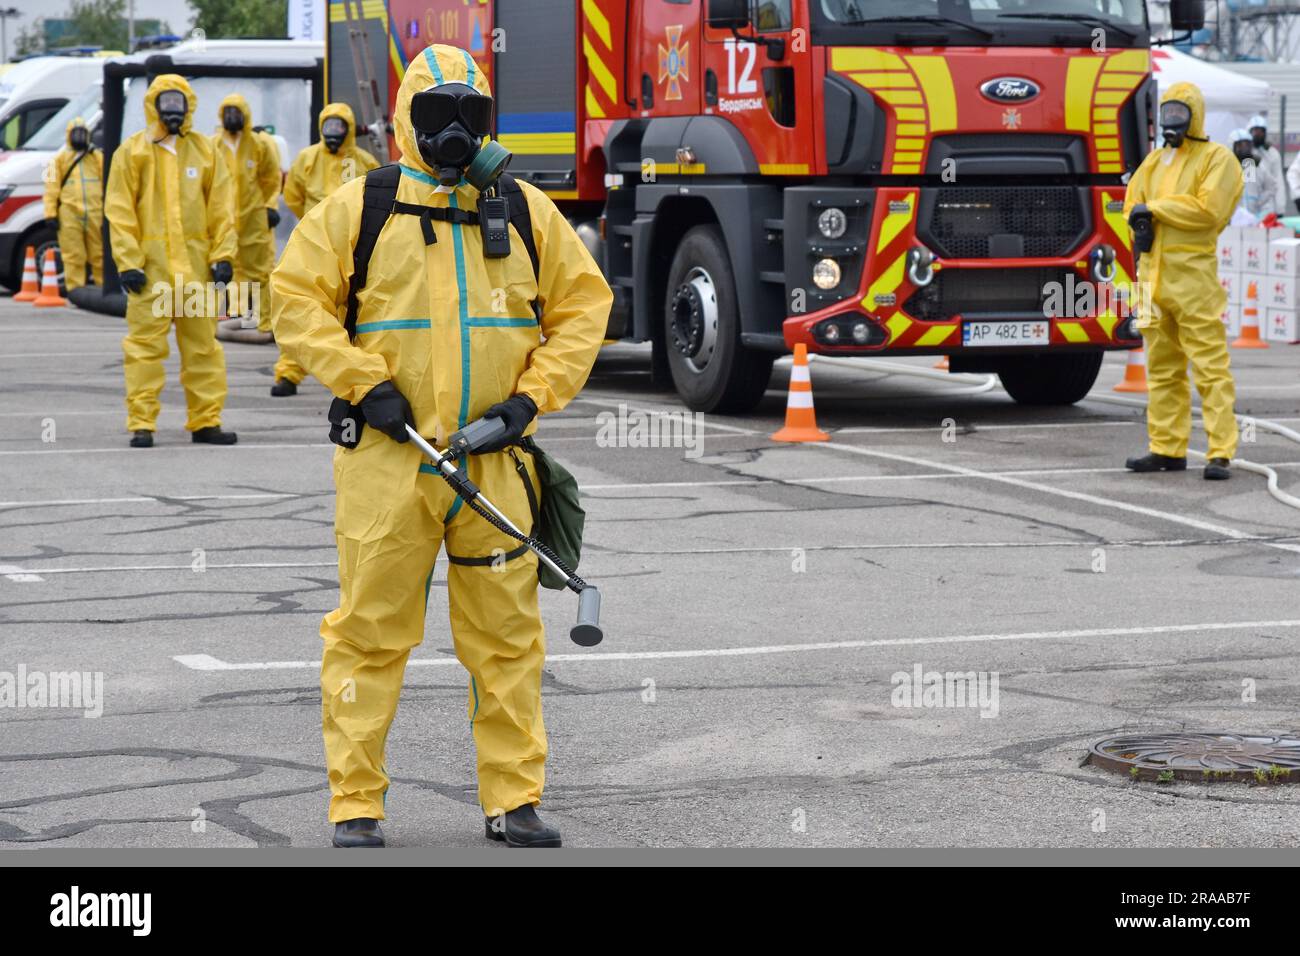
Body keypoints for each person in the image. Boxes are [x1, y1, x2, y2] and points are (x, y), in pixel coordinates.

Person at [272, 44, 612, 849]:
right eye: (436, 115)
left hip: (493, 462)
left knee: (506, 639)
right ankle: (356, 803)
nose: (454, 131)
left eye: (472, 115)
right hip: (391, 464)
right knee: (368, 636)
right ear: (405, 121)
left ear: (488, 122)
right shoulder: (365, 207)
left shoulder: (525, 210)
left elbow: (583, 308)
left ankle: (514, 799)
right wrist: (362, 381)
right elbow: (294, 299)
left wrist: (531, 400)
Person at [104, 74, 238, 449]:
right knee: (145, 349)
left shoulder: (205, 150)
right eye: (167, 103)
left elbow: (222, 208)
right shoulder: (133, 152)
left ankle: (205, 422)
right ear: (154, 105)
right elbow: (119, 211)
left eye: (179, 103)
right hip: (152, 274)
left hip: (195, 273)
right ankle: (142, 423)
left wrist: (223, 256)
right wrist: (128, 262)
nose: (174, 111)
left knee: (203, 348)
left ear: (189, 105)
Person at [1123, 82, 1242, 481]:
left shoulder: (1217, 159)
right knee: (1161, 370)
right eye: (1168, 114)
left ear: (1195, 116)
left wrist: (1153, 209)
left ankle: (1220, 451)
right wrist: (1139, 216)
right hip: (1151, 279)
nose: (1172, 122)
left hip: (1192, 282)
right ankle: (1166, 448)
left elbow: (1208, 210)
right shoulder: (1155, 161)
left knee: (1209, 368)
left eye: (1180, 114)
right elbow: (1129, 204)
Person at [274, 103, 380, 397]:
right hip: (317, 246)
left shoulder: (364, 160)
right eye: (328, 126)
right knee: (305, 309)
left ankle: (361, 377)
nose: (333, 133)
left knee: (356, 312)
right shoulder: (307, 159)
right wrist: (313, 225)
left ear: (347, 129)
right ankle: (289, 373)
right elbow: (293, 195)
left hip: (357, 248)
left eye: (339, 127)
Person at [211, 94, 281, 328]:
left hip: (253, 218)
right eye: (228, 113)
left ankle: (265, 322)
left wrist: (270, 206)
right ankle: (218, 317)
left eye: (236, 113)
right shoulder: (213, 145)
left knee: (260, 272)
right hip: (222, 219)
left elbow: (272, 178)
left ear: (245, 115)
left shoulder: (259, 144)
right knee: (220, 269)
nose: (232, 118)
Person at [42, 117, 103, 290]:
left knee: (99, 254)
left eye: (82, 133)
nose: (79, 137)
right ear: (69, 135)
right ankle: (75, 290)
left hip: (95, 211)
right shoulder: (56, 161)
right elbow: (50, 189)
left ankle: (104, 289)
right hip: (69, 214)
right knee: (73, 255)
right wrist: (50, 214)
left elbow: (108, 185)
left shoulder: (97, 157)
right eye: (76, 134)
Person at [1231, 128, 1278, 221]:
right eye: (1241, 145)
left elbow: (1271, 186)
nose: (1244, 149)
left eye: (1247, 145)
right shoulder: (1228, 165)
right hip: (1232, 218)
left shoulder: (1250, 165)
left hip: (1253, 217)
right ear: (1232, 145)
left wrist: (1259, 201)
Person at [1247, 114, 1288, 215]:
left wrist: (1280, 208)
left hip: (1268, 206)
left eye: (1261, 131)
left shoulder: (1272, 153)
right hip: (1250, 204)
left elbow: (1278, 181)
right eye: (1255, 130)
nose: (1258, 134)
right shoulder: (1247, 154)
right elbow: (1249, 183)